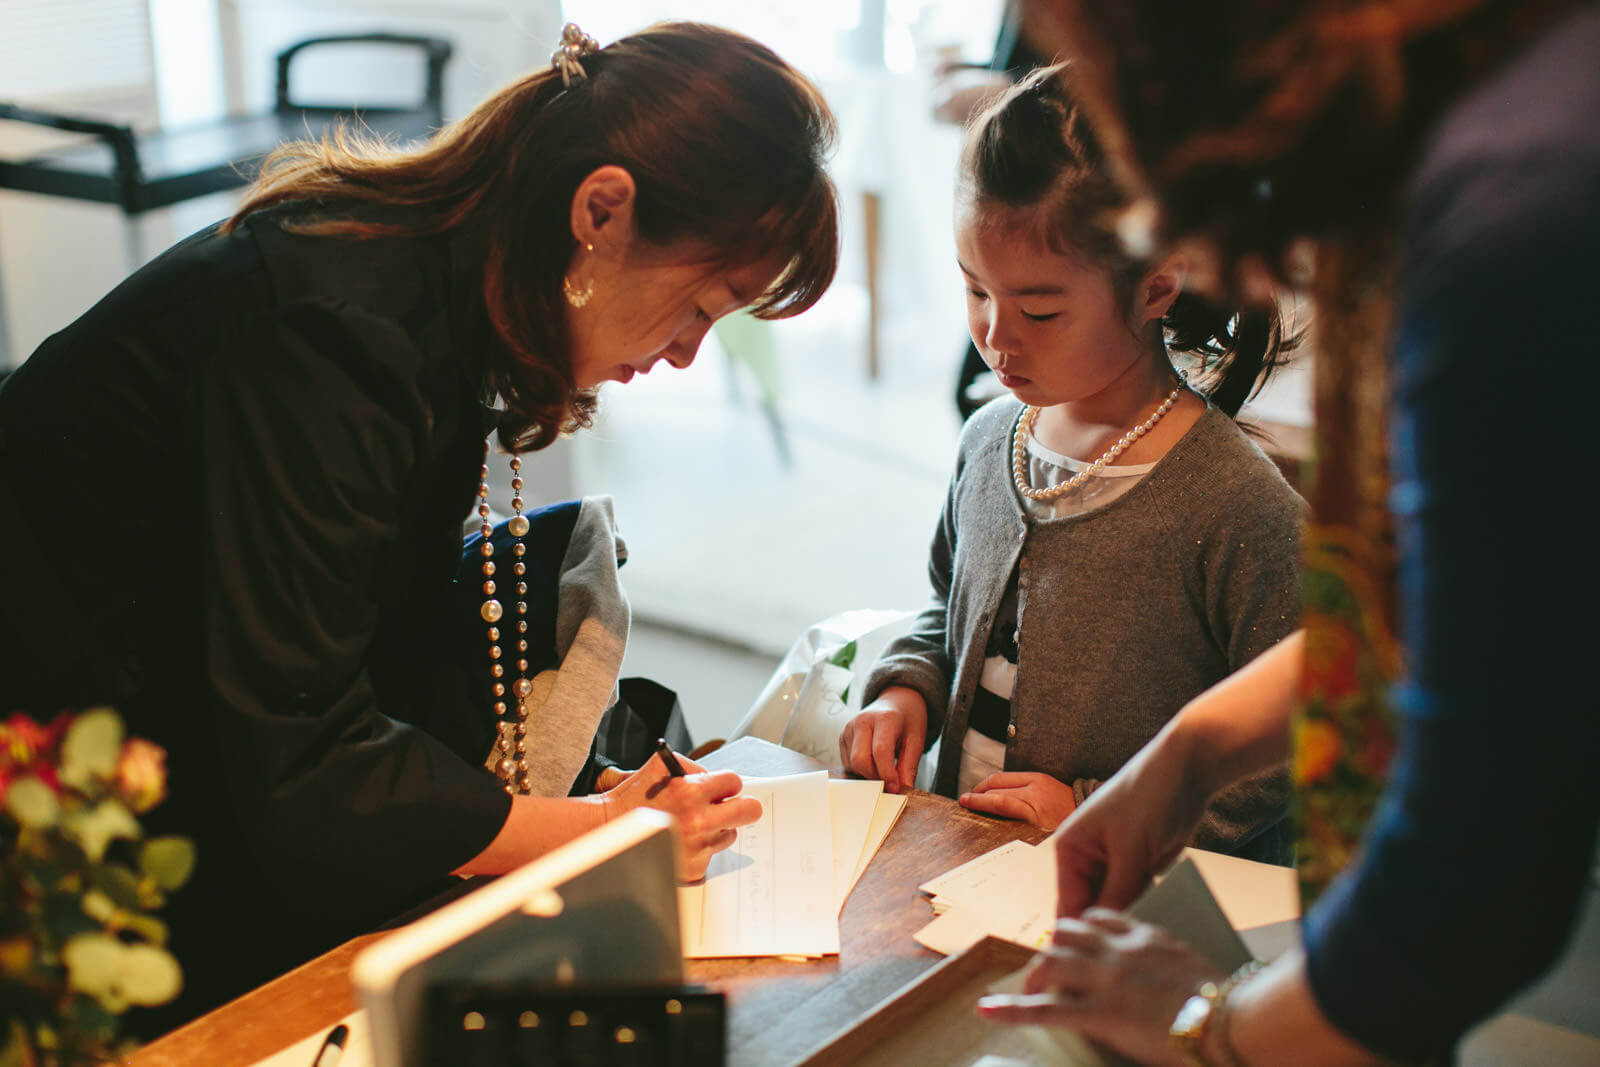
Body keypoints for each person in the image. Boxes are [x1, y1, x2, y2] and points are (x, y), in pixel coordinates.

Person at [0, 21, 838, 1027]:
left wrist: (588, 800)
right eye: (700, 306)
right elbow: (306, 755)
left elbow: (357, 646)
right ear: (602, 209)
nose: (687, 354)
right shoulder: (332, 328)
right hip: (64, 781)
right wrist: (599, 830)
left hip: (180, 747)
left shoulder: (442, 288)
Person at [977, 2, 1600, 1063]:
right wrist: (1187, 751)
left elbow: (1470, 870)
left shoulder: (1523, 210)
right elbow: (1481, 619)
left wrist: (1204, 1027)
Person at [839, 67, 1301, 863]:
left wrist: (1101, 813)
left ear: (1157, 287)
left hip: (1119, 906)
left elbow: (1292, 741)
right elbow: (944, 609)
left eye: (1040, 309)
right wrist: (904, 685)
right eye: (974, 290)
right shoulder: (990, 441)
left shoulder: (1233, 502)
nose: (996, 335)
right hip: (957, 862)